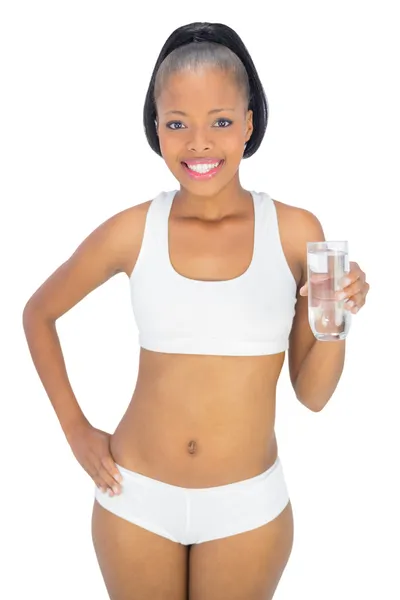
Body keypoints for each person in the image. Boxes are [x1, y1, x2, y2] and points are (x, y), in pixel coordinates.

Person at [22, 21, 369, 600]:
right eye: (177, 124)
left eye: (221, 122)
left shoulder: (295, 232)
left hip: (247, 509)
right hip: (135, 500)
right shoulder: (133, 230)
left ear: (250, 123)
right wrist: (76, 432)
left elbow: (312, 396)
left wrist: (339, 321)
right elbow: (38, 313)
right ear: (155, 129)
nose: (199, 143)